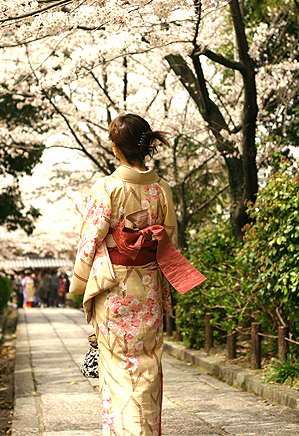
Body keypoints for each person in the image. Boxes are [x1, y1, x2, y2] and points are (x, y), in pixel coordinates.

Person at [70, 113, 205, 436]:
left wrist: (79, 281)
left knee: (117, 369)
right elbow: (167, 234)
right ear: (146, 146)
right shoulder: (161, 189)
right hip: (149, 288)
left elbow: (90, 239)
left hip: (115, 287)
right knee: (148, 365)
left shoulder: (107, 188)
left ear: (117, 148)